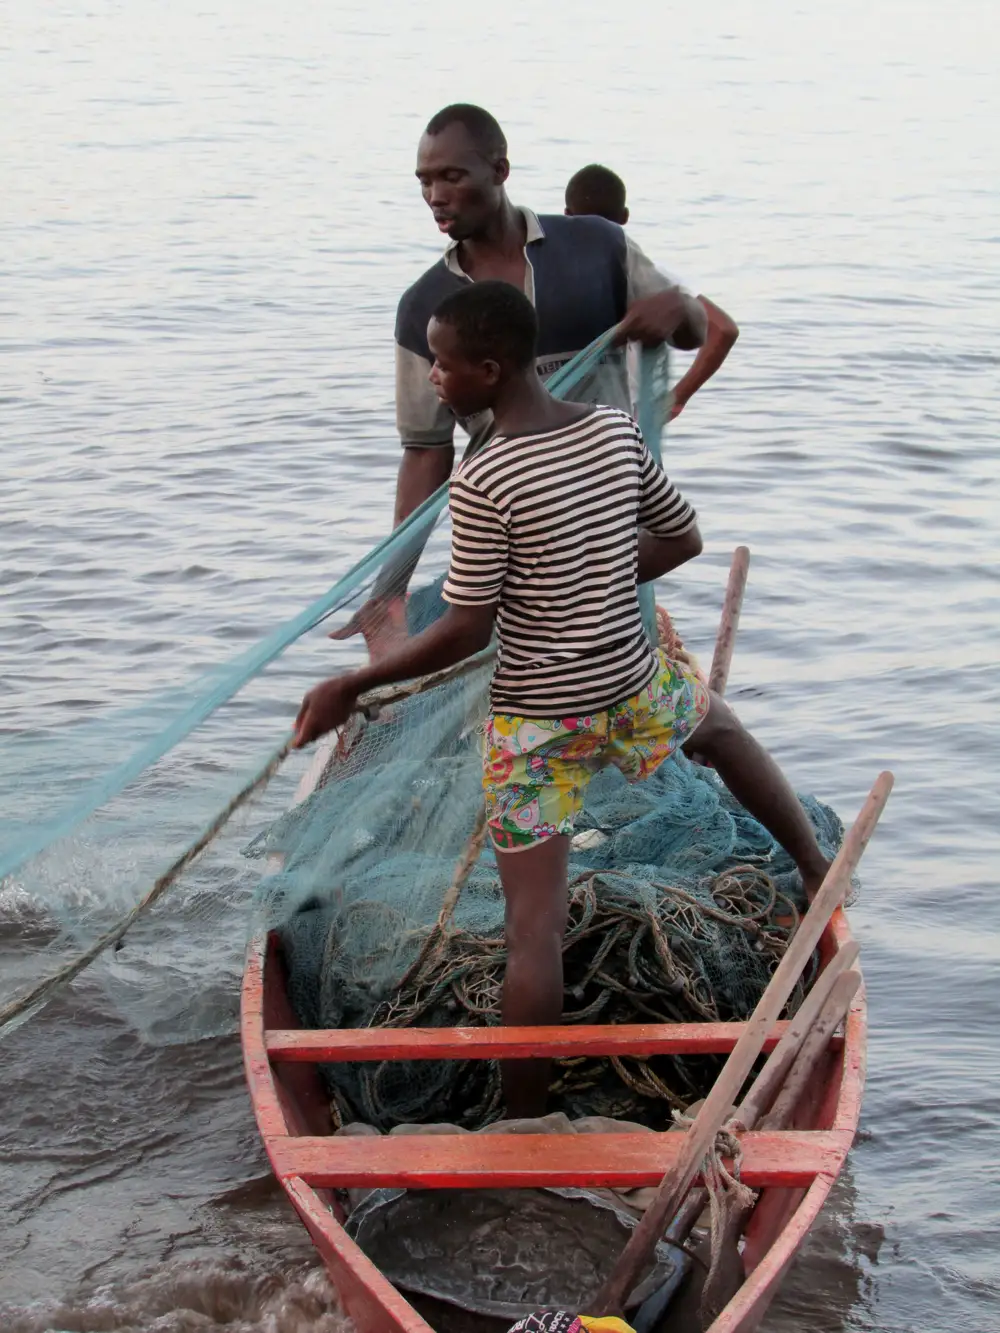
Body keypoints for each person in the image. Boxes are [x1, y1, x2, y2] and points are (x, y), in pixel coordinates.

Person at [297, 281, 830, 1118]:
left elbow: (468, 628)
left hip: (536, 725)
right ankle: (813, 865)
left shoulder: (487, 477)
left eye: (440, 363)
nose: (433, 377)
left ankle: (523, 1120)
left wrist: (353, 683)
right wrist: (601, 585)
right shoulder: (614, 432)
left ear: (489, 367)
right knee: (721, 732)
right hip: (630, 683)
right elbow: (682, 536)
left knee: (533, 929)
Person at [331, 103, 706, 658]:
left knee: (617, 673)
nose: (435, 195)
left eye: (452, 176)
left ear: (500, 171)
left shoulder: (596, 248)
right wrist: (390, 590)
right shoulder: (423, 307)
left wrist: (678, 306)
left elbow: (694, 331)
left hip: (609, 523)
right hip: (514, 542)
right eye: (425, 181)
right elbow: (425, 452)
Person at [565, 162, 740, 422]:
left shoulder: (545, 273)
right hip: (627, 424)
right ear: (624, 216)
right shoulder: (652, 278)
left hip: (561, 423)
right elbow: (723, 329)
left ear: (567, 215)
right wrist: (677, 398)